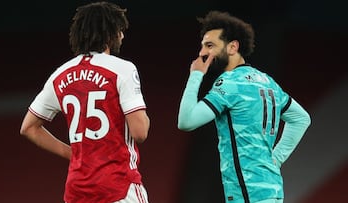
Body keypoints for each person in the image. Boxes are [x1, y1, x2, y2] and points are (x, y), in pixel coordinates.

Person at [20, 2, 150, 203]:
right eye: (120, 30)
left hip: (77, 191)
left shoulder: (60, 75)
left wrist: (73, 153)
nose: (122, 36)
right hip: (118, 187)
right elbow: (139, 133)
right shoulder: (122, 69)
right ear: (109, 33)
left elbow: (28, 127)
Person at [177, 11, 311, 203]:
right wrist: (276, 159)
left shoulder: (229, 83)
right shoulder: (267, 82)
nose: (202, 53)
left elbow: (186, 121)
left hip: (248, 192)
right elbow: (301, 118)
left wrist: (196, 75)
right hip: (271, 188)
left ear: (232, 47)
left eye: (210, 45)